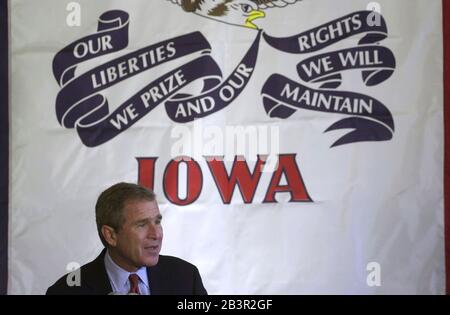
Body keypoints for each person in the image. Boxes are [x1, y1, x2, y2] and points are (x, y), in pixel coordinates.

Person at [46, 182, 207, 295]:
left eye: (157, 222)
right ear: (111, 235)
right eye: (142, 224)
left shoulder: (185, 277)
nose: (156, 234)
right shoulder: (67, 291)